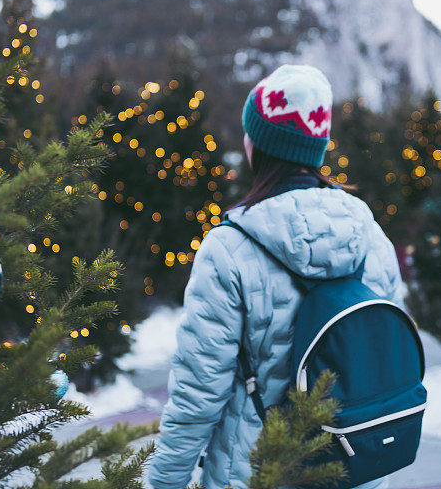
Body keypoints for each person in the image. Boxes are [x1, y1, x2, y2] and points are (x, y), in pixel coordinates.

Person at [148, 64, 405, 489]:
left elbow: (197, 398)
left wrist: (164, 483)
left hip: (255, 473)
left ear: (260, 147)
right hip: (353, 468)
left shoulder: (228, 248)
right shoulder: (372, 238)